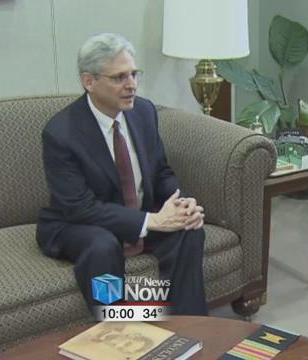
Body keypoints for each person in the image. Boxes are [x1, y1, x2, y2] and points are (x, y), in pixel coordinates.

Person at [36, 33, 208, 316]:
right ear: (89, 81)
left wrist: (180, 204)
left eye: (134, 74)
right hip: (80, 222)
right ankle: (119, 333)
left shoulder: (143, 112)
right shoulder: (61, 132)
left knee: (188, 231)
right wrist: (151, 220)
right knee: (101, 246)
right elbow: (80, 207)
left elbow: (161, 172)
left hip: (136, 213)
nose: (132, 85)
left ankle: (189, 325)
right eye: (119, 78)